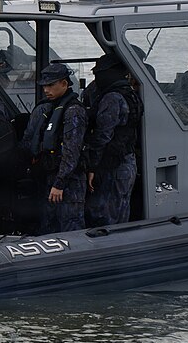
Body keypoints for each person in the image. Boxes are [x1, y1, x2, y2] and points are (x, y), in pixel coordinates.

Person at [23, 62, 88, 234]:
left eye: (51, 85)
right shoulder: (49, 108)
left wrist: (60, 183)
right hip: (51, 175)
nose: (46, 90)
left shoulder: (73, 111)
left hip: (69, 182)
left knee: (70, 226)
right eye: (44, 86)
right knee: (49, 226)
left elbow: (71, 151)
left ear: (65, 84)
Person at [83, 53, 140, 227]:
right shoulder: (130, 93)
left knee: (104, 215)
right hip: (125, 161)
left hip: (112, 166)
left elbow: (103, 136)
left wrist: (91, 166)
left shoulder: (112, 98)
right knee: (120, 211)